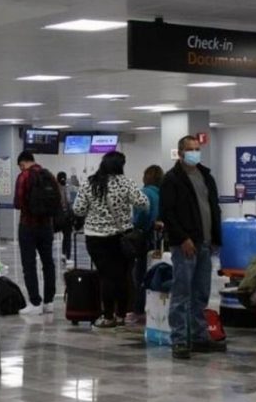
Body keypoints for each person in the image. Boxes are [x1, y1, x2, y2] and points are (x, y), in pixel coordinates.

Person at [161, 135, 225, 360]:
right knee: (181, 293)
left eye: (197, 149)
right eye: (190, 149)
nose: (195, 153)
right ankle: (179, 339)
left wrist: (217, 237)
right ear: (180, 153)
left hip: (205, 243)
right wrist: (182, 238)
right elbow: (168, 214)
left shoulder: (206, 176)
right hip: (185, 245)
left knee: (201, 293)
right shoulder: (172, 179)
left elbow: (213, 207)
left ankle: (199, 336)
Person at [73, 151, 149, 328]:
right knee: (123, 276)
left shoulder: (90, 183)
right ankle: (121, 315)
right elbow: (144, 203)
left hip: (96, 238)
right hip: (122, 237)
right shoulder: (126, 183)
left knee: (106, 276)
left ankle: (108, 317)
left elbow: (78, 209)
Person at [14, 151, 58, 315]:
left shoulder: (24, 176)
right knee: (48, 263)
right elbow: (57, 200)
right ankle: (49, 302)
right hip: (47, 226)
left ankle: (35, 302)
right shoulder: (49, 175)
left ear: (22, 163)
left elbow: (18, 202)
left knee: (29, 264)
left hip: (28, 225)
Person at [130, 165, 164, 323]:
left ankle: (138, 309)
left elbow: (141, 215)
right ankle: (156, 306)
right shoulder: (162, 194)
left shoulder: (144, 193)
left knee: (140, 274)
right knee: (156, 271)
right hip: (158, 240)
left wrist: (136, 225)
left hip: (143, 238)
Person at [56, 171, 74, 264]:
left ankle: (64, 254)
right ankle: (67, 257)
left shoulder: (54, 188)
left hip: (56, 217)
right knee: (67, 237)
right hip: (65, 216)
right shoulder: (66, 188)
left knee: (65, 237)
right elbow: (69, 202)